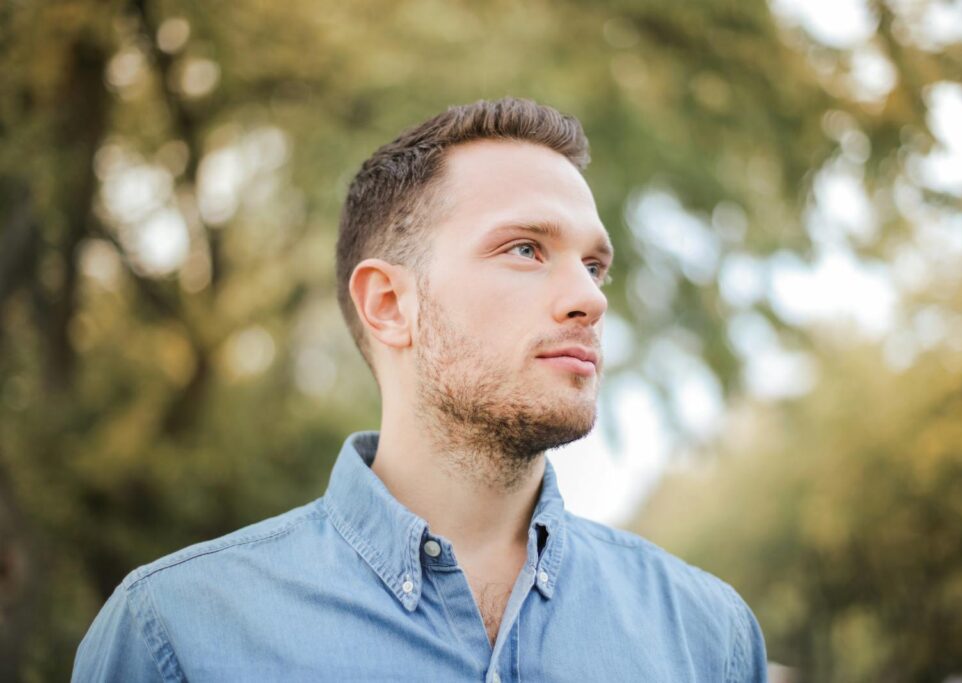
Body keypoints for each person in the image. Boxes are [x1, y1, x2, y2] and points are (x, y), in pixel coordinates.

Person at [73, 98, 768, 682]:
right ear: (388, 305)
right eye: (525, 249)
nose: (590, 298)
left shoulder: (709, 638)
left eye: (594, 265)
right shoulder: (176, 637)